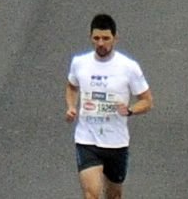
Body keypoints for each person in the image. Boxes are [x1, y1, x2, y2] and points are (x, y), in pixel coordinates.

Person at [65, 15, 152, 199]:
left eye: (106, 38)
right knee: (92, 194)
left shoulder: (129, 67)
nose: (101, 43)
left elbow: (147, 101)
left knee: (114, 195)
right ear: (90, 37)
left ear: (115, 38)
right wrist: (71, 106)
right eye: (96, 38)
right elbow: (72, 86)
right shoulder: (80, 63)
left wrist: (130, 110)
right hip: (87, 139)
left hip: (116, 142)